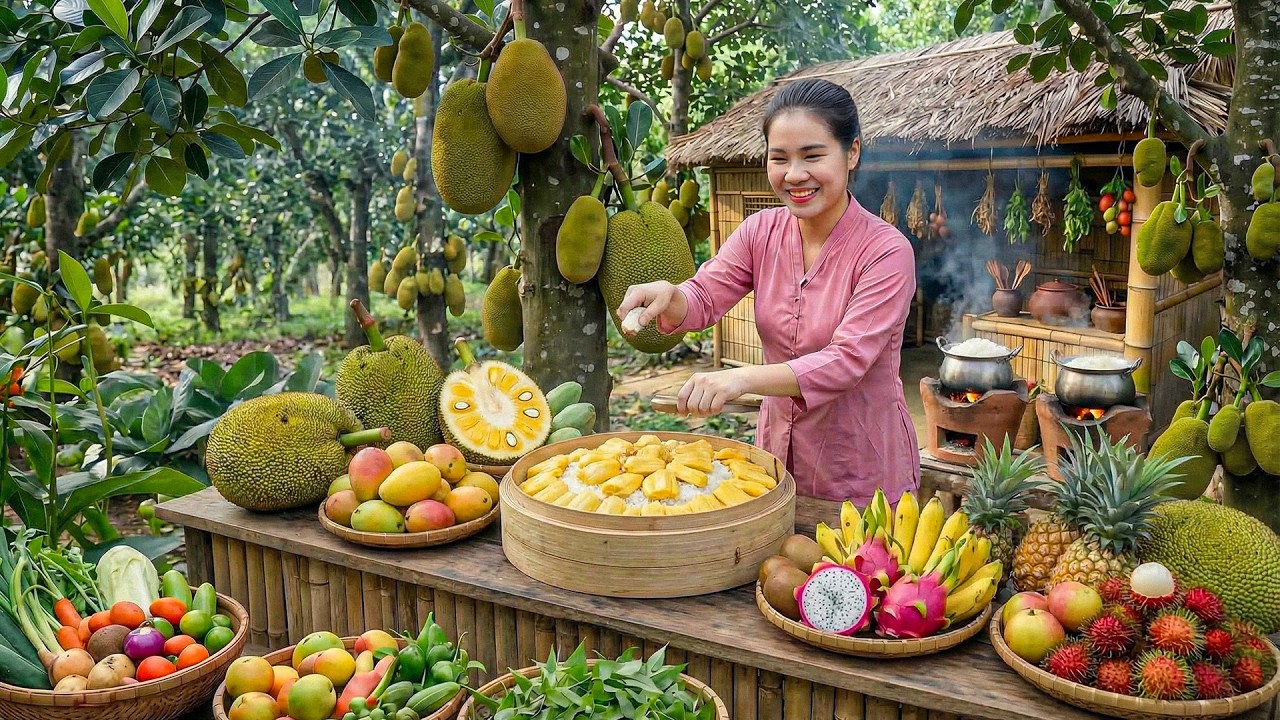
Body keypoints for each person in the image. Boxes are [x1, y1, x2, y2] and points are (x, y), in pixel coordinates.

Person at [617, 78, 920, 503]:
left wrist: (740, 379)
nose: (794, 175)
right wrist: (672, 295)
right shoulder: (760, 231)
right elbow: (704, 295)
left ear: (851, 153)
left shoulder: (886, 251)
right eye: (779, 158)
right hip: (775, 457)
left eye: (813, 156)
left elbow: (847, 361)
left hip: (859, 465)